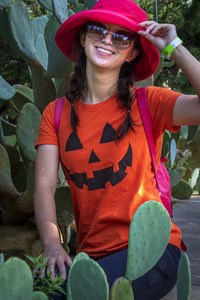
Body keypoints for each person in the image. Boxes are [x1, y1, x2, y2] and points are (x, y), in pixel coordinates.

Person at [33, 0, 200, 299]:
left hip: (151, 251)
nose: (107, 40)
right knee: (42, 290)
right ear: (84, 37)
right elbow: (44, 187)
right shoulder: (54, 114)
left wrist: (173, 45)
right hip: (90, 256)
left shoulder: (149, 103)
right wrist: (52, 245)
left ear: (132, 52)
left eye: (121, 36)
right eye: (98, 30)